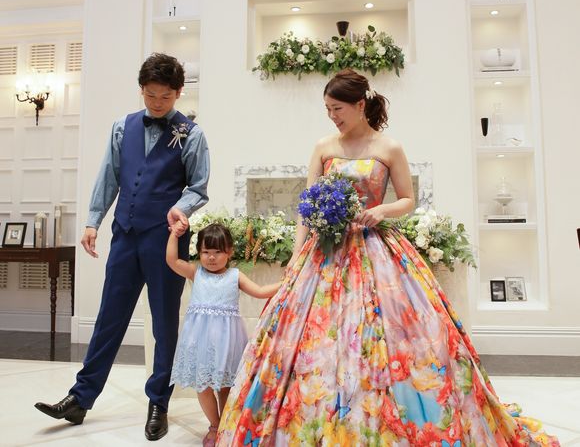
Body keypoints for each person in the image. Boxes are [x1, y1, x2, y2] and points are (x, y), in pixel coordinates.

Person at [216, 69, 559, 446]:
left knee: (396, 332)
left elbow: (408, 199)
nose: (332, 116)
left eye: (338, 108)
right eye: (327, 109)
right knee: (316, 339)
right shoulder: (323, 147)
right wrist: (298, 256)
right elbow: (305, 207)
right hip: (325, 252)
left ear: (360, 105)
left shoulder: (389, 148)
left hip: (375, 248)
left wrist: (382, 210)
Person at [34, 53, 210, 441]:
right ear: (141, 89)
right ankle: (80, 398)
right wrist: (92, 221)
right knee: (109, 319)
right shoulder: (121, 127)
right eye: (150, 94)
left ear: (179, 93)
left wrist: (180, 209)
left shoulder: (192, 134)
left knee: (164, 324)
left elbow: (198, 187)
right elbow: (109, 176)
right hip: (125, 237)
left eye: (165, 96)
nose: (157, 103)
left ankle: (158, 402)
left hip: (166, 242)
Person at [166, 222, 281, 447]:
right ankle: (214, 425)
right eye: (205, 252)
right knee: (203, 386)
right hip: (199, 341)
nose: (211, 257)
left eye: (217, 251)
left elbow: (259, 291)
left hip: (227, 341)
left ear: (229, 252)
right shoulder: (196, 273)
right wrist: (174, 235)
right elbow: (172, 260)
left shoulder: (235, 276)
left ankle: (226, 427)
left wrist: (287, 282)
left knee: (226, 386)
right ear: (199, 253)